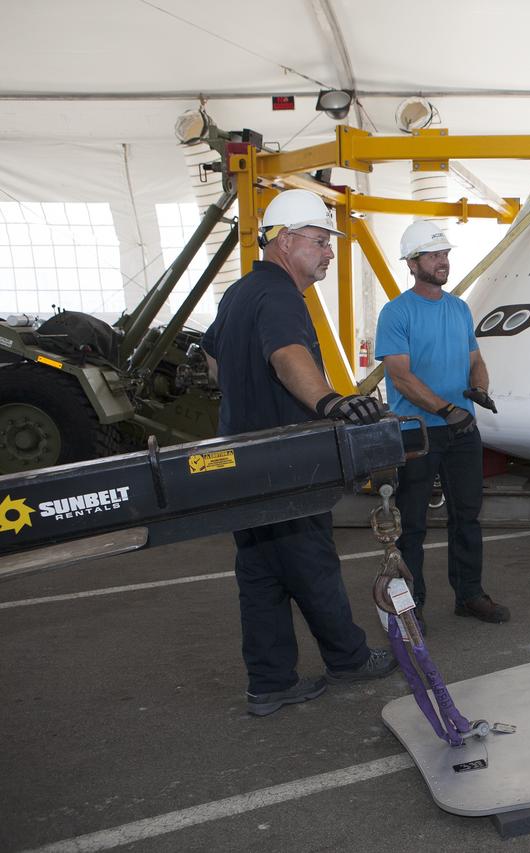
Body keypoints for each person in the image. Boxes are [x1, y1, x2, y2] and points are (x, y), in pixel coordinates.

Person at [203, 189, 398, 716]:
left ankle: (269, 683)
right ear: (286, 241)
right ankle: (349, 660)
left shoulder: (238, 293)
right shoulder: (282, 297)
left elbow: (214, 363)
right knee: (311, 562)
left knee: (261, 574)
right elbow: (287, 353)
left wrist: (247, 400)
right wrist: (330, 400)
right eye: (320, 241)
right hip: (285, 463)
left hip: (242, 459)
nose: (329, 253)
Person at [375, 220, 509, 623]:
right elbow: (401, 376)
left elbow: (475, 360)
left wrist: (478, 389)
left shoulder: (459, 308)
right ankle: (409, 607)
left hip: (462, 429)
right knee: (412, 522)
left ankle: (469, 595)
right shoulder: (396, 313)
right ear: (412, 262)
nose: (442, 262)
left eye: (445, 254)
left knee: (467, 515)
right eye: (434, 255)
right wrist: (445, 410)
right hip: (417, 432)